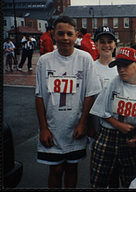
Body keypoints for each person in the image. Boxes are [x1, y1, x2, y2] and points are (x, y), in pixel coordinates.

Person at [35, 15, 101, 188]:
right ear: (53, 34)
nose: (65, 38)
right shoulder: (44, 61)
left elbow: (89, 94)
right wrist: (43, 128)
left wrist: (83, 123)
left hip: (75, 126)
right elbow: (40, 96)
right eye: (60, 33)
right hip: (53, 126)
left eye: (69, 34)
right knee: (55, 170)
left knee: (72, 168)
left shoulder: (85, 59)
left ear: (76, 35)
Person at [89, 47, 136, 188]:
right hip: (108, 135)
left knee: (129, 180)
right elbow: (101, 109)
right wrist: (118, 125)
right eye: (118, 66)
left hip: (130, 139)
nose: (121, 70)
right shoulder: (114, 82)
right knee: (99, 178)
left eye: (125, 65)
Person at [89, 26, 119, 187]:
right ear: (96, 44)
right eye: (102, 42)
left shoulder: (120, 68)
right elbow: (87, 99)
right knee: (97, 167)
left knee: (115, 170)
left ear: (115, 44)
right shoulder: (91, 67)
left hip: (116, 126)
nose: (106, 45)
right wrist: (89, 125)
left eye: (109, 41)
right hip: (97, 127)